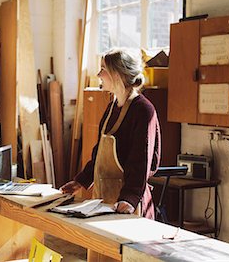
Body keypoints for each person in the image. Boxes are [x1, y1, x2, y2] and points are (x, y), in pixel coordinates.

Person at [61, 49, 161, 219]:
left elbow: (141, 161)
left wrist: (129, 198)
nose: (99, 74)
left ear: (118, 74)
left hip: (129, 204)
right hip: (105, 199)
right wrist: (81, 181)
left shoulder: (144, 111)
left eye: (103, 69)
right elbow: (100, 153)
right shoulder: (111, 108)